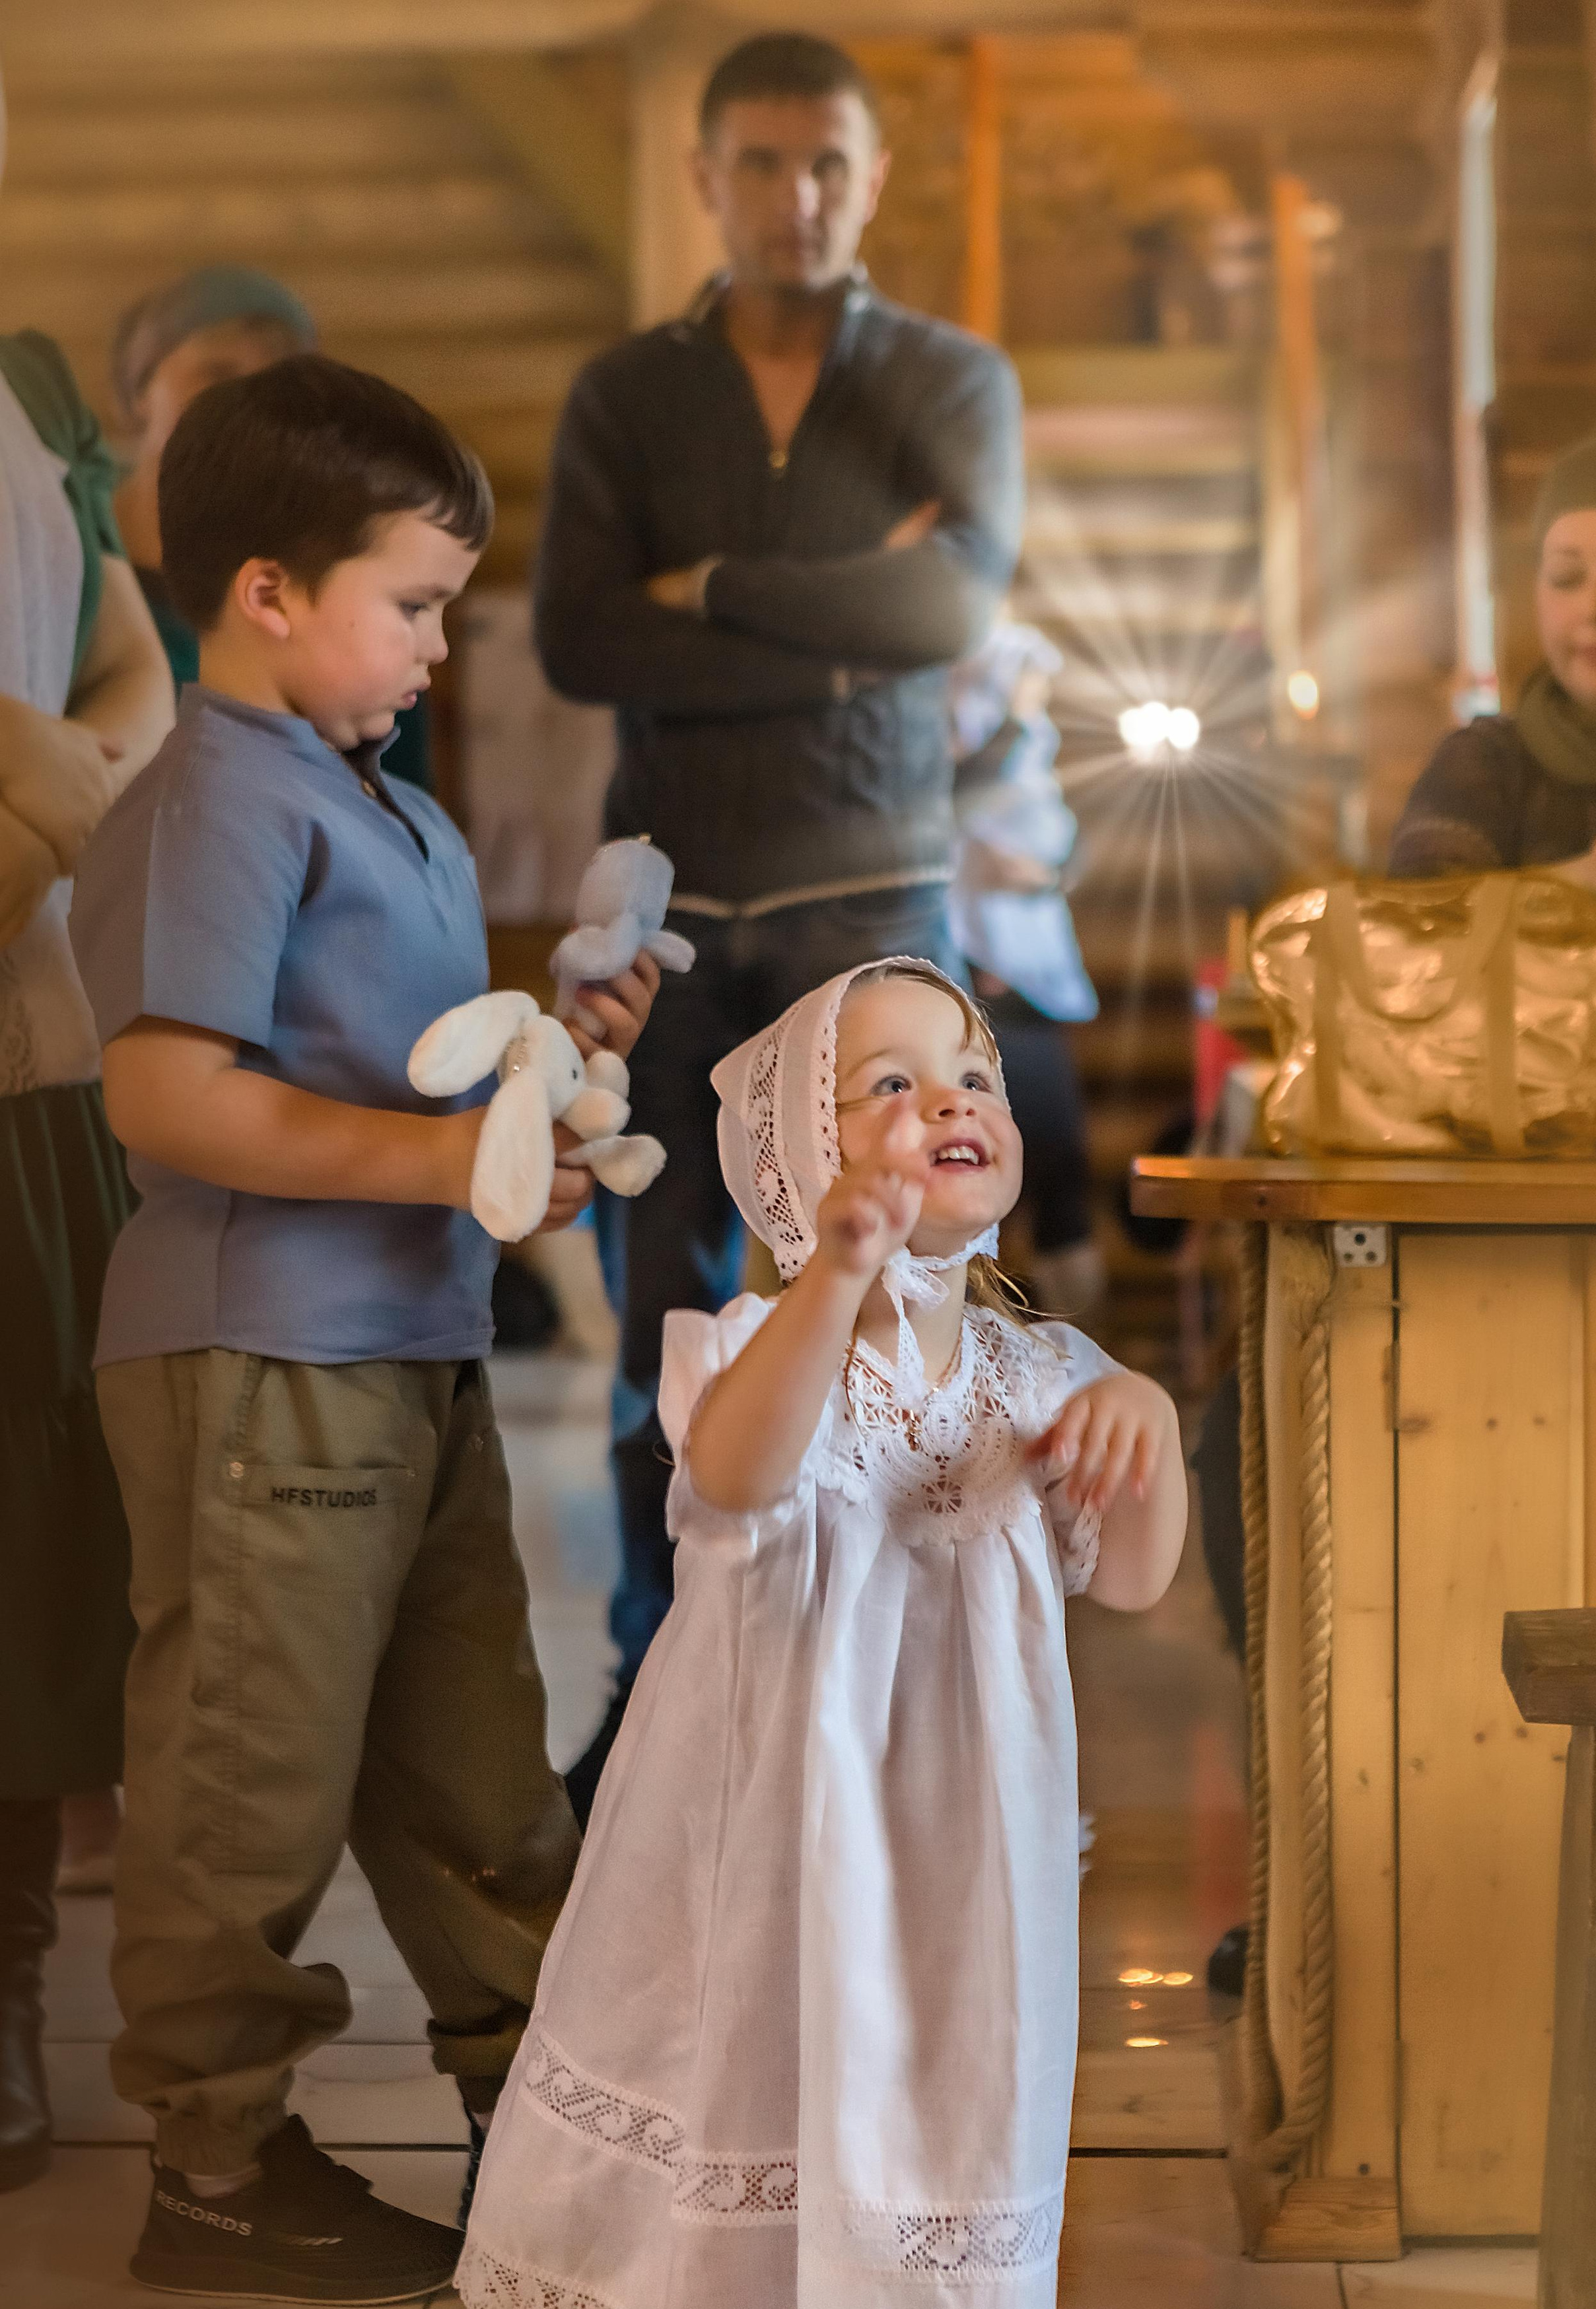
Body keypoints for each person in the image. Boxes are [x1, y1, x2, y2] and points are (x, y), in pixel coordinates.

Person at [458, 959, 1186, 2309]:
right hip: (784, 1819)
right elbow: (732, 1474)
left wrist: (1147, 1420)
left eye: (974, 1073)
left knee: (947, 2072)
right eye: (888, 1082)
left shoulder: (1035, 1365)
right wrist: (832, 1282)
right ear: (795, 1163)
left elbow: (1129, 1575)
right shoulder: (750, 1336)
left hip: (959, 1834)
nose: (953, 1099)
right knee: (779, 2063)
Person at [68, 356, 659, 2302]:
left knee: (477, 1771)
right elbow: (166, 1095)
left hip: (405, 1358)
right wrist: (440, 1174)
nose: (433, 645)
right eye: (409, 603)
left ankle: (546, 2116)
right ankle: (219, 2167)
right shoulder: (215, 799)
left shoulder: (372, 804)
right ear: (263, 591)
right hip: (265, 1360)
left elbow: (420, 1087)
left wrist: (546, 1095)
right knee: (252, 1785)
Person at [534, 30, 1024, 1809]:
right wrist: (840, 616)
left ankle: (889, 1708)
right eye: (760, 163)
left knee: (893, 1310)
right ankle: (662, 1701)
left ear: (872, 177)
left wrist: (719, 590)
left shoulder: (952, 379)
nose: (796, 196)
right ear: (705, 176)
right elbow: (585, 639)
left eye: (828, 164)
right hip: (673, 910)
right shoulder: (624, 396)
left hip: (870, 898)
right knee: (662, 1323)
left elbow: (953, 605)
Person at [0, 317, 175, 2189]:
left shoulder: (35, 387)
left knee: (32, 1567)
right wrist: (67, 791)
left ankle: (8, 1995)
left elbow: (136, 660)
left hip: (32, 1072)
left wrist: (55, 776)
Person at [1391, 389, 1596, 1055]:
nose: (1595, 610)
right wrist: (1579, 884)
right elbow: (1400, 937)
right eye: (1564, 577)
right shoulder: (1489, 765)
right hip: (1523, 1153)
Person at [109, 263, 433, 788]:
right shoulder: (59, 558)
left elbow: (398, 810)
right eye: (215, 374)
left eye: (281, 382)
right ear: (139, 391)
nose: (250, 404)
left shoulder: (348, 588)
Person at [946, 619, 1106, 1316]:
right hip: (966, 975)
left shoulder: (1032, 732)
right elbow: (957, 805)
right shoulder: (947, 720)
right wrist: (1013, 717)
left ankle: (1077, 1344)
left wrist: (1047, 876)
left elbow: (1065, 835)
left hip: (1030, 981)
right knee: (966, 1178)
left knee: (1059, 1164)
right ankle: (973, 1353)